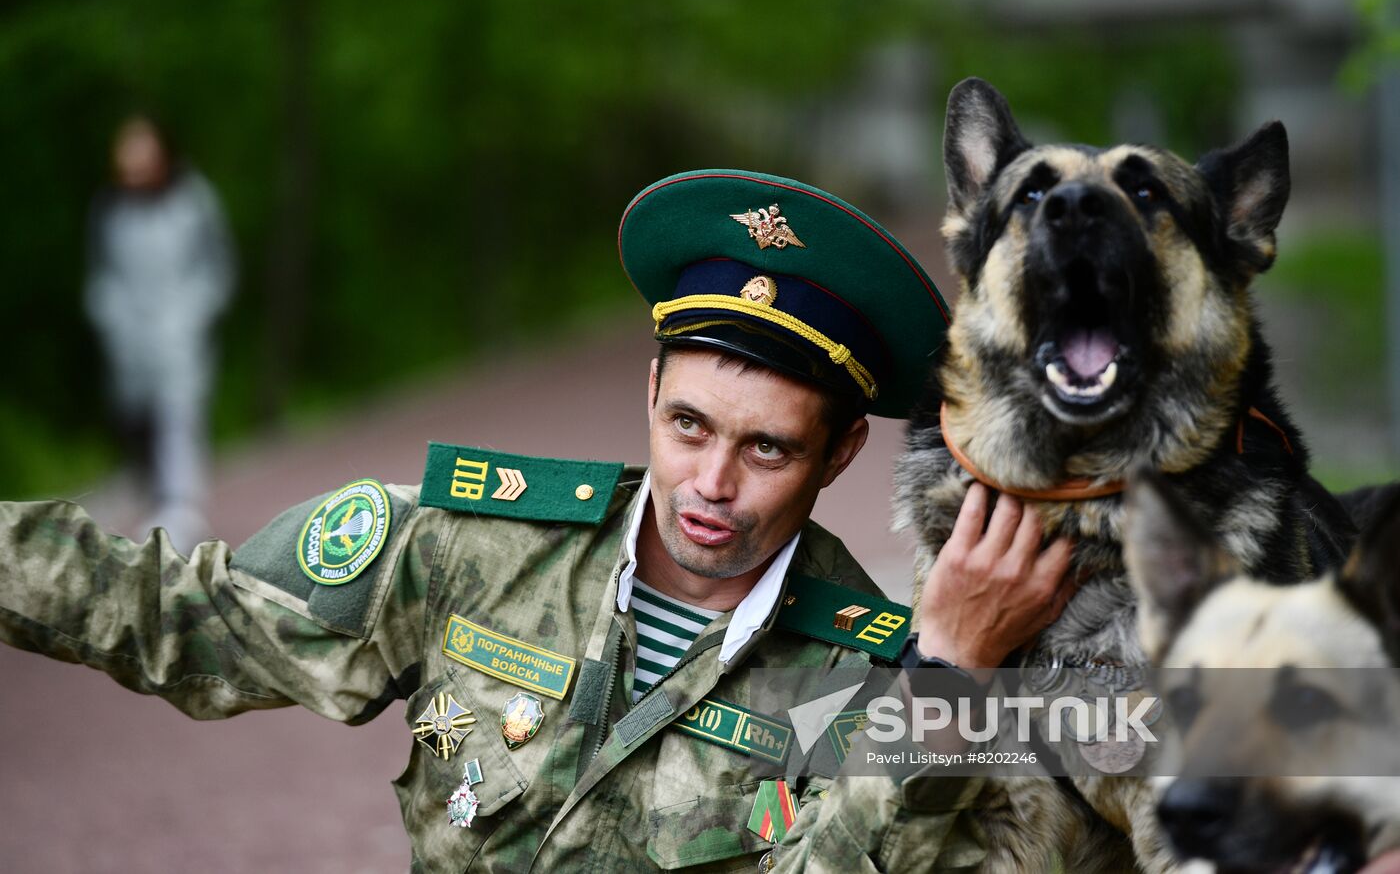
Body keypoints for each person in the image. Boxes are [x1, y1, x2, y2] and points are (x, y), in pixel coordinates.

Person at [3, 169, 1074, 871]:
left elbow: (1205, 736)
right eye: (689, 426)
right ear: (648, 391)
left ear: (839, 452)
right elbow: (165, 611)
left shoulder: (872, 676)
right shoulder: (470, 549)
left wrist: (951, 675)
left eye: (766, 448)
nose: (709, 483)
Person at [84, 114, 236, 552]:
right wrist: (111, 317)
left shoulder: (194, 201)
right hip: (130, 338)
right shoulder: (110, 210)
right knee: (137, 419)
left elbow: (217, 267)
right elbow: (103, 275)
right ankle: (146, 493)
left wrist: (194, 312)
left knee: (179, 416)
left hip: (180, 333)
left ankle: (181, 507)